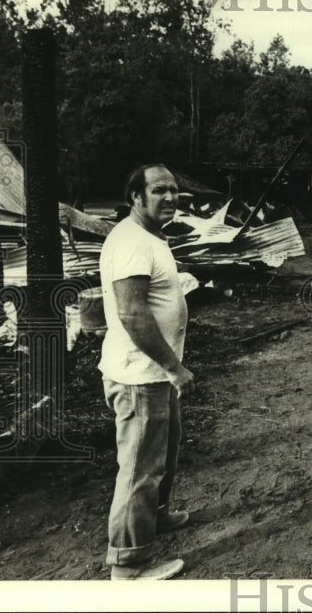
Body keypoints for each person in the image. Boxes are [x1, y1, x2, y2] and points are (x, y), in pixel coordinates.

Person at [98, 164, 195, 580]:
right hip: (141, 376)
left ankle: (154, 517)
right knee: (140, 468)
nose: (170, 198)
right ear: (135, 197)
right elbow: (133, 314)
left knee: (163, 453)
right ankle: (128, 564)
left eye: (174, 191)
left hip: (154, 374)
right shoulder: (133, 242)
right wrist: (174, 367)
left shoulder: (149, 236)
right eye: (159, 191)